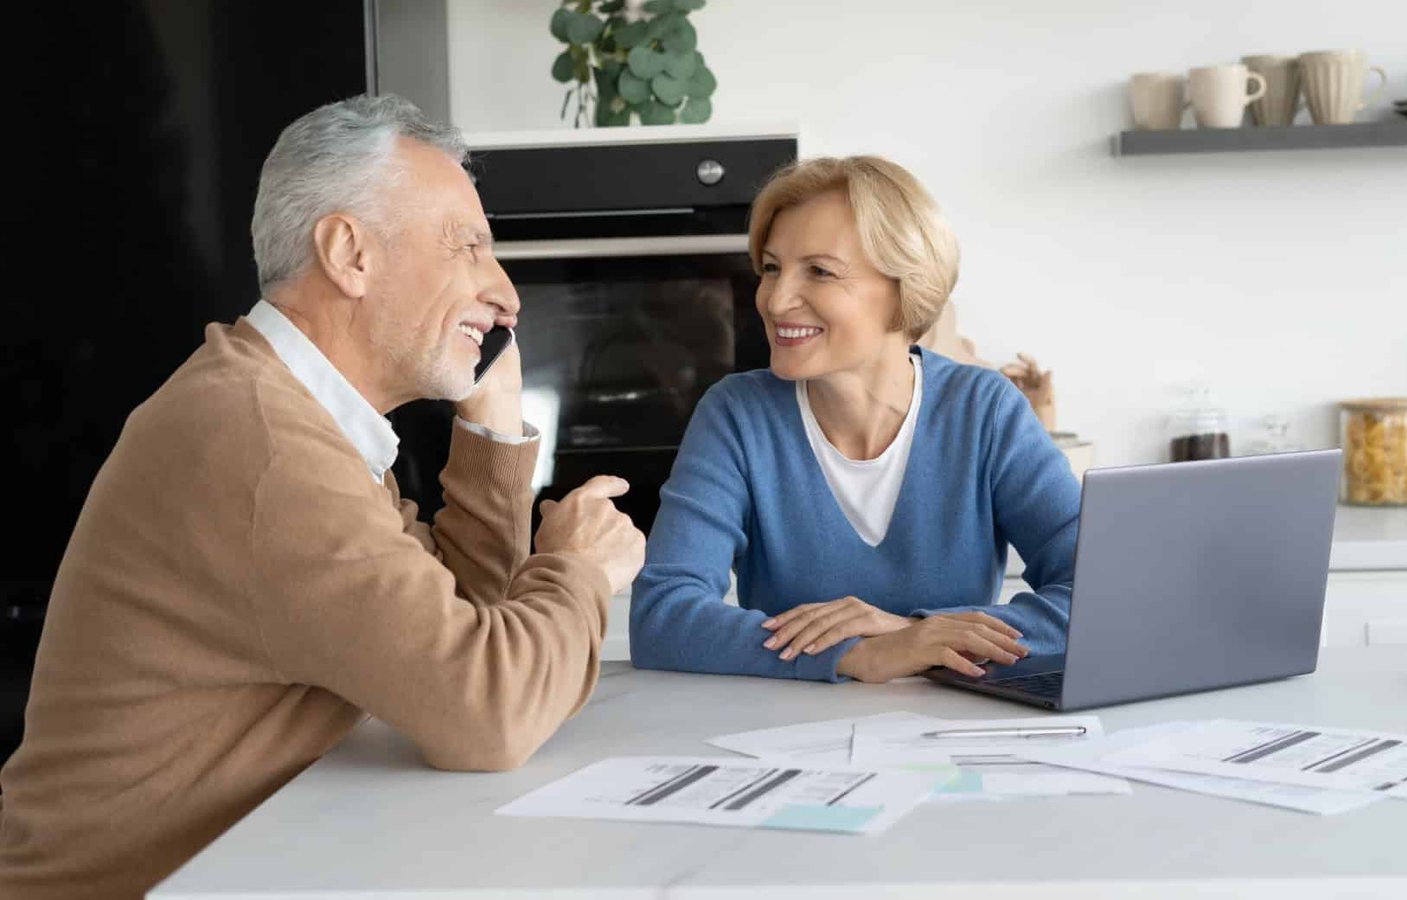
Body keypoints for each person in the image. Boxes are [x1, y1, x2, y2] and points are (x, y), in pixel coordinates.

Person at [0, 94, 644, 899]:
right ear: (350, 253)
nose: (507, 295)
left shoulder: (292, 415)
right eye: (470, 247)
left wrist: (489, 430)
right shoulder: (262, 445)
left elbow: (451, 629)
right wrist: (577, 570)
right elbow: (488, 709)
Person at [629, 156, 1079, 684]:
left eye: (818, 271)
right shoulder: (737, 416)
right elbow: (662, 615)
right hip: (782, 740)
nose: (775, 299)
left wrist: (915, 630)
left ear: (904, 287)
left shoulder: (983, 411)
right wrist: (857, 653)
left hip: (955, 748)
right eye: (771, 268)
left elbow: (1103, 592)